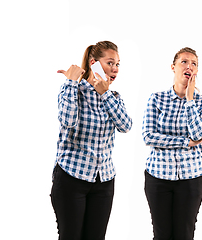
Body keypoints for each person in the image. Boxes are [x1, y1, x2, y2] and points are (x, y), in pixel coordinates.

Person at [51, 41, 132, 240]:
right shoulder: (72, 90)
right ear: (94, 63)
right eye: (110, 63)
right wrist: (71, 82)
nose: (115, 69)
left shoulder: (113, 97)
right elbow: (68, 121)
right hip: (71, 178)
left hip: (103, 181)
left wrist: (104, 94)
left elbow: (126, 126)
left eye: (118, 65)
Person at [142, 47, 202, 240]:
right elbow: (148, 137)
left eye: (194, 64)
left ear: (197, 71)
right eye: (184, 61)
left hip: (191, 179)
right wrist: (187, 142)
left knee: (184, 234)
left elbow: (198, 133)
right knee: (162, 235)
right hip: (158, 178)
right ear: (173, 67)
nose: (189, 66)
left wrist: (190, 99)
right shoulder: (156, 99)